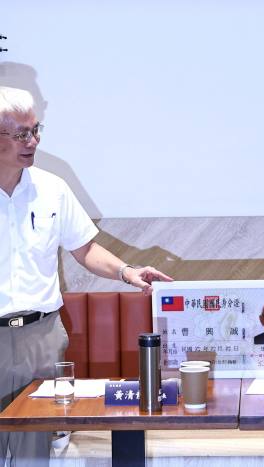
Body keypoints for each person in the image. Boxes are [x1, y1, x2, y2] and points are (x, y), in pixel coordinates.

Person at [0, 85, 173, 466]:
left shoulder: (51, 189)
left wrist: (127, 271)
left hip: (40, 338)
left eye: (36, 129)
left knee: (35, 452)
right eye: (21, 134)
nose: (34, 141)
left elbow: (85, 249)